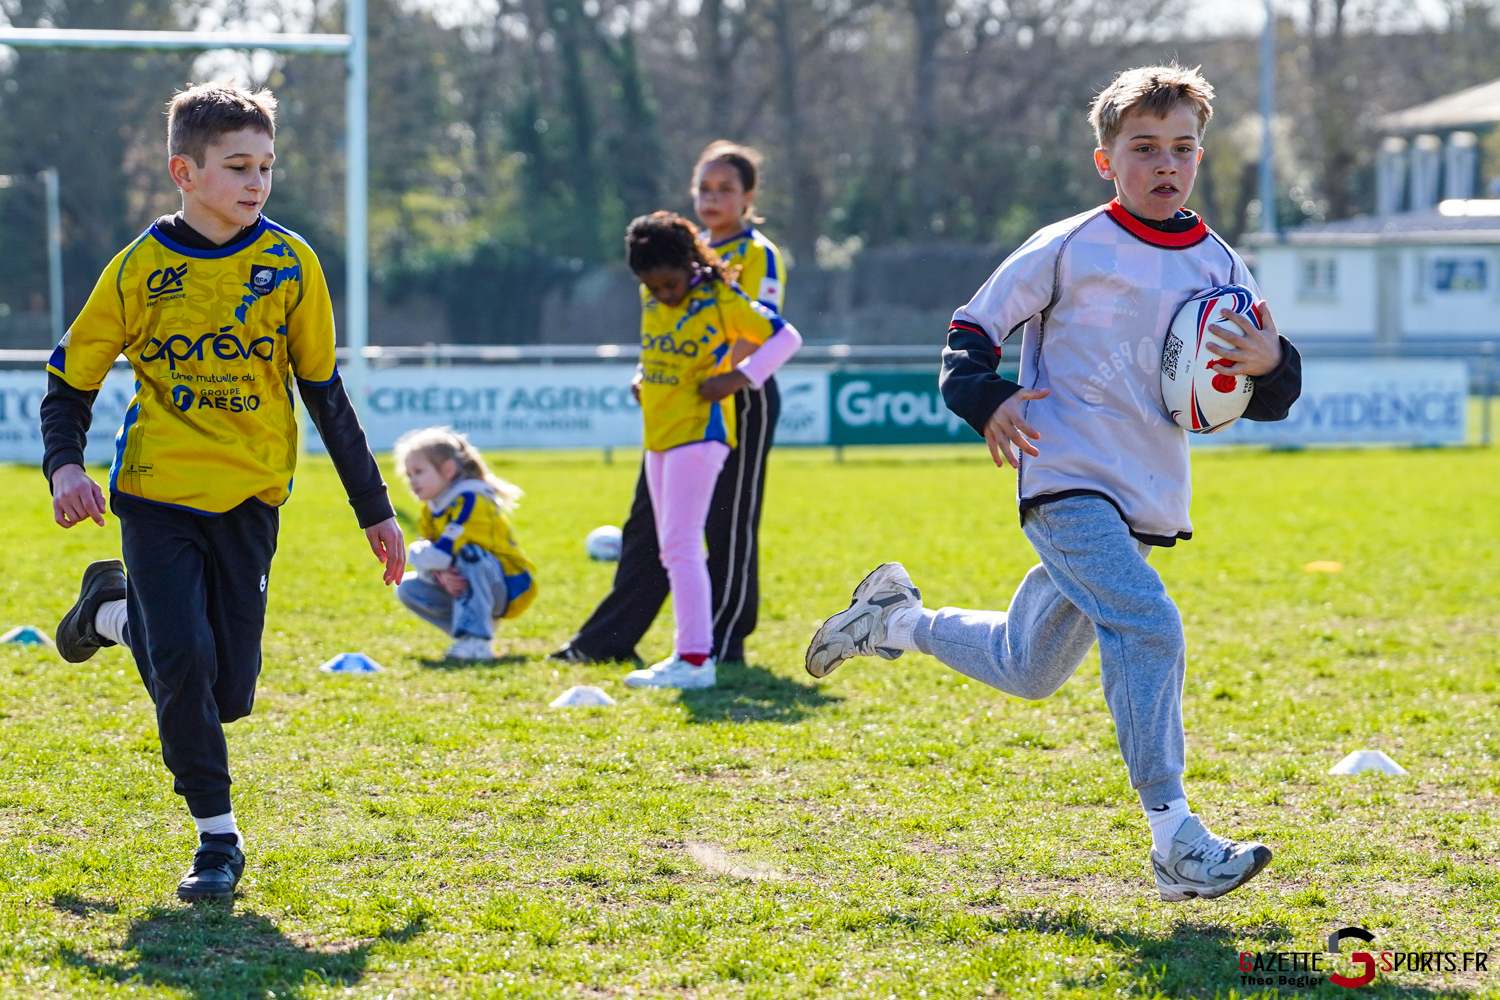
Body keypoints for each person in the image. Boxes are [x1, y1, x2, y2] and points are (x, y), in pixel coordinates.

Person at [804, 65, 1302, 902]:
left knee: (1028, 666)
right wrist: (988, 399)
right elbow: (971, 328)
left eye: (1182, 148)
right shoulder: (1069, 244)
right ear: (1106, 160)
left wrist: (1272, 363)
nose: (1165, 164)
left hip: (1144, 497)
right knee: (1149, 623)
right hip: (1064, 479)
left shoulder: (1220, 264)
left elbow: (1270, 389)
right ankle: (1174, 837)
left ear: (1200, 157)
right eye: (1143, 148)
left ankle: (895, 621)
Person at [40, 83, 404, 902]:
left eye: (267, 167)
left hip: (252, 501)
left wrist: (374, 508)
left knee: (226, 691)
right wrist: (66, 464)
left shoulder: (291, 263)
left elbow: (326, 395)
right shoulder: (140, 268)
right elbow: (69, 381)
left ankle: (107, 613)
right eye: (238, 166)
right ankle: (216, 839)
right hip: (156, 492)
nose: (257, 183)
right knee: (184, 660)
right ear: (184, 171)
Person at [552, 141, 785, 665]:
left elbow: (760, 330)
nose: (712, 197)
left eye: (725, 188)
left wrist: (730, 378)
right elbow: (665, 330)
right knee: (649, 522)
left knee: (728, 522)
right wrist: (648, 374)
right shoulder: (681, 249)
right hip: (678, 402)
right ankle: (609, 640)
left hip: (739, 397)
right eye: (704, 188)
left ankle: (725, 642)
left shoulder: (757, 254)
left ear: (748, 196)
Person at [615, 211, 801, 689]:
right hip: (658, 432)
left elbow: (785, 337)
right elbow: (658, 344)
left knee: (680, 545)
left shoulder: (719, 298)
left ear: (687, 263)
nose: (663, 295)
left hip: (701, 434)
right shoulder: (651, 294)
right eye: (652, 287)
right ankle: (689, 655)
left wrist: (739, 377)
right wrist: (642, 376)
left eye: (669, 284)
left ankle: (695, 660)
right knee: (670, 546)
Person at [393, 427, 537, 660]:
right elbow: (432, 555)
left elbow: (439, 554)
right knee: (407, 587)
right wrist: (439, 574)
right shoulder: (431, 507)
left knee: (470, 555)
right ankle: (468, 635)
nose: (412, 481)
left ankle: (477, 641)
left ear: (448, 470)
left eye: (418, 472)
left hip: (510, 585)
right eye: (408, 475)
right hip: (469, 581)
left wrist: (420, 556)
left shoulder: (471, 499)